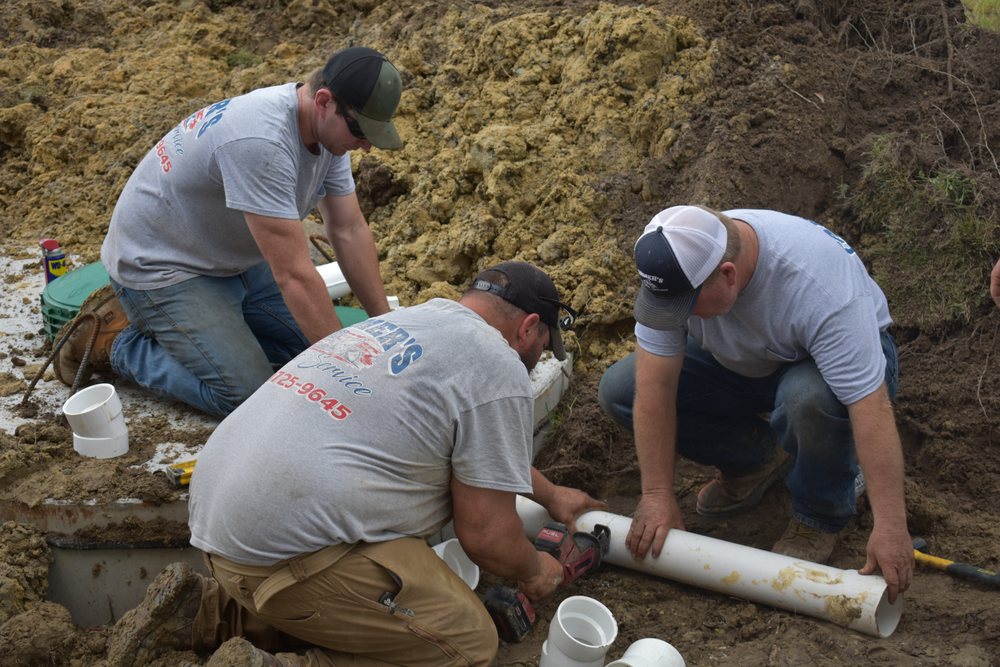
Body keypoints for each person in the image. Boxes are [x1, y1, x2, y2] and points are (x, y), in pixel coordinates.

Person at [105, 261, 603, 667]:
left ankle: (205, 613)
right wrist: (534, 569)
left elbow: (482, 452)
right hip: (282, 559)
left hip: (221, 525)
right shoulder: (497, 363)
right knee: (466, 644)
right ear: (529, 327)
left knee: (366, 569)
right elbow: (487, 537)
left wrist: (551, 495)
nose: (538, 360)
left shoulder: (411, 321)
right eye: (542, 349)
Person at [54, 46, 404, 418]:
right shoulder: (262, 144)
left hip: (229, 256)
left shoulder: (328, 133)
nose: (365, 144)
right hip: (163, 268)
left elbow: (348, 228)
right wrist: (345, 370)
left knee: (306, 362)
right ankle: (119, 342)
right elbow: (294, 276)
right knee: (249, 396)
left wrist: (385, 327)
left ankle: (212, 339)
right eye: (361, 131)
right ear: (323, 100)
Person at [598, 205, 913, 603]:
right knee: (620, 391)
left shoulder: (817, 287)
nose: (676, 315)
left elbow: (870, 408)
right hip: (745, 357)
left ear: (728, 275)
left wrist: (890, 525)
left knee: (806, 401)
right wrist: (657, 494)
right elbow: (654, 389)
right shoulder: (676, 263)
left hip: (826, 368)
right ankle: (758, 459)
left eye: (685, 305)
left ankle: (821, 513)